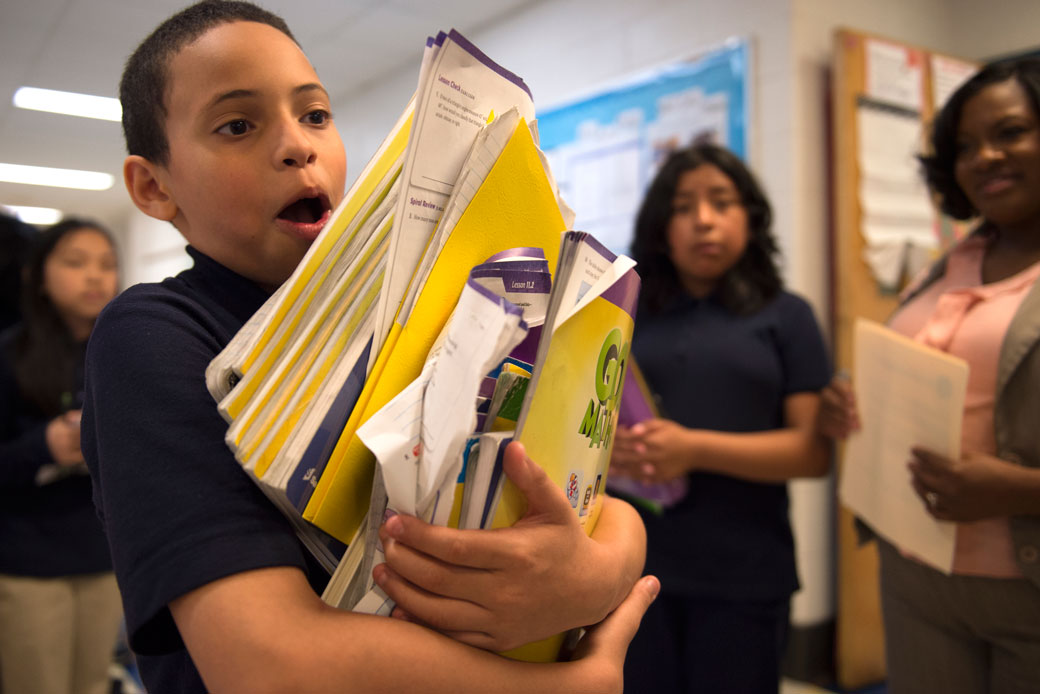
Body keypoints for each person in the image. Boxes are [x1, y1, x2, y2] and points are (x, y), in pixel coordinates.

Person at [80, 3, 655, 693]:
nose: (299, 146)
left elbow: (595, 496)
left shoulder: (422, 301)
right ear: (154, 186)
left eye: (315, 114)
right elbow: (266, 663)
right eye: (238, 125)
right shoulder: (153, 336)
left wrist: (601, 573)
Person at [819, 57, 1040, 694]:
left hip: (1026, 588)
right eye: (965, 146)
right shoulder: (953, 261)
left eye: (1011, 133)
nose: (985, 158)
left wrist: (1022, 490)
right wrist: (856, 406)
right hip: (915, 570)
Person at [610, 143, 832, 694]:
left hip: (745, 571)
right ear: (662, 227)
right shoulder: (627, 314)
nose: (703, 220)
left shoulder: (788, 315)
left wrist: (694, 449)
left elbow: (812, 452)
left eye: (721, 202)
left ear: (751, 219)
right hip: (633, 564)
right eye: (683, 207)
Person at [0, 218, 122, 694]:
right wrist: (42, 447)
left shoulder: (122, 350)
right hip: (28, 563)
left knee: (93, 682)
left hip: (103, 554)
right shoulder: (11, 355)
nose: (95, 276)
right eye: (76, 262)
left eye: (107, 265)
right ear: (39, 275)